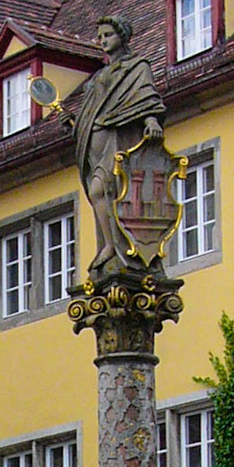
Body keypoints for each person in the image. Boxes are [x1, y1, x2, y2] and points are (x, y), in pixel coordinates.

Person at [72, 15, 165, 276]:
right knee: (97, 192)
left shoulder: (137, 67)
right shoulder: (98, 76)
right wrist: (77, 124)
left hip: (120, 141)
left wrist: (151, 121)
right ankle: (109, 244)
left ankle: (115, 246)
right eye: (100, 36)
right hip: (95, 145)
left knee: (104, 190)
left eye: (108, 35)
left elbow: (145, 96)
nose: (103, 40)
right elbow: (91, 109)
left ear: (122, 36)